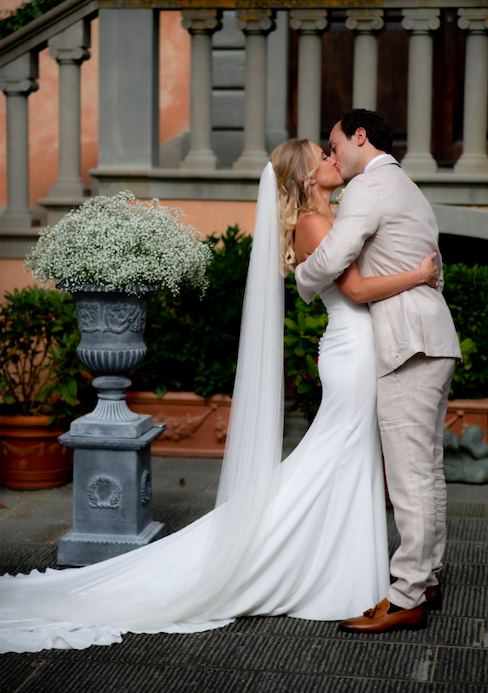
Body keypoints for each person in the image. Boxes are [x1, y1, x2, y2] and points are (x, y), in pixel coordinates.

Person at [0, 138, 440, 654]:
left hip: (358, 350)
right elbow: (357, 289)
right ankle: (323, 569)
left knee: (346, 457)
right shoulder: (315, 224)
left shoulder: (335, 213)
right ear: (304, 177)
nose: (331, 160)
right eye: (322, 157)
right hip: (354, 352)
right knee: (342, 455)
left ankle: (339, 568)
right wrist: (420, 274)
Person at [295, 110, 461, 633]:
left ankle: (407, 593)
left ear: (359, 137)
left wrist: (302, 276)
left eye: (334, 143)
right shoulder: (406, 185)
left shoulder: (369, 186)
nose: (333, 154)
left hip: (407, 342)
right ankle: (428, 576)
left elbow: (337, 254)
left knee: (410, 478)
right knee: (427, 469)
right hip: (434, 336)